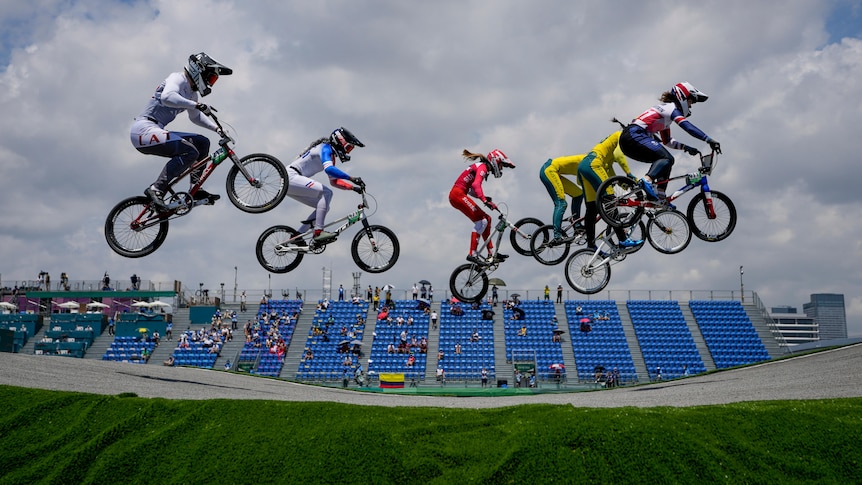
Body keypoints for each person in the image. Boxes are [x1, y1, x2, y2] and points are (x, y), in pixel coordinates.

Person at [131, 53, 232, 211]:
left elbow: (196, 118)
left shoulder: (192, 93)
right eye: (210, 78)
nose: (210, 83)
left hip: (156, 129)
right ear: (199, 70)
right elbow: (167, 97)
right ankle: (156, 188)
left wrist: (217, 129)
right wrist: (196, 105)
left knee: (202, 142)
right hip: (143, 130)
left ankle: (195, 188)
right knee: (190, 152)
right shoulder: (178, 78)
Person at [618, 82, 720, 202]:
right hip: (634, 134)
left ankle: (660, 195)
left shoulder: (666, 115)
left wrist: (686, 147)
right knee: (667, 158)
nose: (691, 106)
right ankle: (647, 180)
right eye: (690, 101)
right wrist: (709, 140)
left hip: (629, 140)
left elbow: (667, 141)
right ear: (682, 96)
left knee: (665, 161)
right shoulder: (671, 108)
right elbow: (688, 127)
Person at [283, 127, 366, 244]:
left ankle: (298, 236)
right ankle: (318, 232)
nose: (348, 152)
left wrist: (353, 187)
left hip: (292, 182)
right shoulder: (325, 148)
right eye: (348, 147)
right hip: (291, 176)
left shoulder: (330, 155)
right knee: (327, 193)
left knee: (324, 206)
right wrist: (352, 178)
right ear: (340, 142)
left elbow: (334, 182)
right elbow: (329, 170)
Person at [576, 130, 643, 252]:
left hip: (584, 166)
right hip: (593, 165)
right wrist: (628, 173)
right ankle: (623, 240)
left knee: (591, 209)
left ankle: (590, 245)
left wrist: (622, 184)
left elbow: (610, 172)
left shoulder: (611, 142)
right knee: (610, 202)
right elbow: (619, 155)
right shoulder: (621, 135)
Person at [449, 148, 516, 265]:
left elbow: (470, 189)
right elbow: (475, 185)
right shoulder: (483, 168)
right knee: (482, 221)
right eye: (501, 166)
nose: (501, 169)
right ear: (495, 162)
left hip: (459, 194)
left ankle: (491, 253)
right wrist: (484, 200)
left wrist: (485, 198)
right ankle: (472, 254)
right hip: (457, 195)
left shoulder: (481, 167)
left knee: (488, 219)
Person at [539, 153, 586, 242]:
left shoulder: (589, 162)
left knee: (579, 194)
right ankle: (557, 236)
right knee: (561, 203)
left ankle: (577, 225)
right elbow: (581, 182)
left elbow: (581, 182)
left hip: (554, 171)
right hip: (549, 170)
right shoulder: (589, 163)